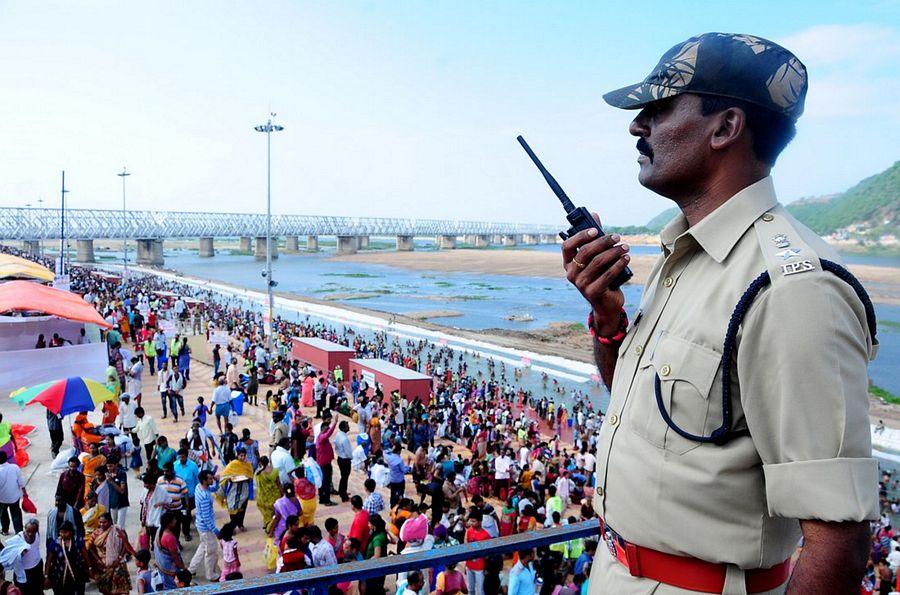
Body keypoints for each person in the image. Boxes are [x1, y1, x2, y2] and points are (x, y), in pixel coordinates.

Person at [574, 33, 877, 593]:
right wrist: (609, 319)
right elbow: (649, 412)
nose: (637, 126)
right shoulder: (684, 257)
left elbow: (838, 537)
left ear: (725, 128)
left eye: (659, 108)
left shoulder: (791, 288)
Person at [85, 512, 135, 595]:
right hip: (103, 565)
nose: (102, 524)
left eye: (104, 522)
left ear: (110, 522)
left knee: (117, 590)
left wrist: (119, 558)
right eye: (100, 522)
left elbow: (125, 545)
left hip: (118, 564)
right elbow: (90, 548)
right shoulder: (96, 534)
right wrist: (98, 560)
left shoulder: (118, 530)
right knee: (105, 589)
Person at [189, 469, 220, 582]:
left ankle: (191, 569)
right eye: (210, 479)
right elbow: (206, 517)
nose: (212, 479)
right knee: (211, 551)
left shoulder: (199, 487)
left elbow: (215, 488)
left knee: (203, 547)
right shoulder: (205, 497)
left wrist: (217, 480)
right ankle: (210, 574)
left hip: (200, 525)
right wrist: (215, 530)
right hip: (206, 528)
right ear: (204, 480)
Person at [43, 521, 88, 595]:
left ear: (70, 532)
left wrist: (89, 568)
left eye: (65, 532)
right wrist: (46, 576)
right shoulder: (55, 544)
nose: (62, 534)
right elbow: (48, 560)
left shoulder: (77, 541)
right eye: (61, 532)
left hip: (76, 575)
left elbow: (85, 555)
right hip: (59, 576)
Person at [219, 446, 254, 530]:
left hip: (244, 490)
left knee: (242, 508)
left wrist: (248, 478)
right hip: (233, 490)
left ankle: (240, 524)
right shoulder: (232, 464)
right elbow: (224, 475)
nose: (242, 457)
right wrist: (231, 478)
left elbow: (250, 476)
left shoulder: (248, 465)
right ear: (237, 455)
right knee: (232, 507)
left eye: (244, 456)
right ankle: (232, 526)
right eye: (240, 456)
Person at [154, 511, 186, 590]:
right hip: (169, 569)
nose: (175, 520)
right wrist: (183, 568)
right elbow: (175, 556)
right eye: (174, 519)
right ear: (169, 523)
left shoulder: (159, 530)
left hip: (162, 566)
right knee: (173, 587)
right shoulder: (169, 538)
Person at [11, 519, 43, 595]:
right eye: (28, 531)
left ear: (37, 531)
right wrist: (20, 554)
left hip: (36, 568)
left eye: (33, 531)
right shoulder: (18, 538)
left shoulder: (37, 535)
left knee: (37, 590)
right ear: (24, 528)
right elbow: (10, 555)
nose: (30, 534)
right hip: (23, 572)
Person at [0, 452, 27, 536]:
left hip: (2, 498)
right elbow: (21, 482)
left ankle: (5, 530)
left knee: (3, 513)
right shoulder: (14, 467)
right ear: (7, 458)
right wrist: (24, 492)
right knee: (16, 514)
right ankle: (19, 533)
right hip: (14, 496)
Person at [464, 509, 490, 595]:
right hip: (469, 565)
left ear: (480, 522)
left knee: (480, 590)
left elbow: (488, 555)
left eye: (473, 521)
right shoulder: (469, 531)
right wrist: (465, 565)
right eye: (470, 521)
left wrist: (486, 569)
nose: (471, 523)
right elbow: (467, 547)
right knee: (470, 589)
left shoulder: (486, 535)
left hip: (480, 567)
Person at [315, 414, 338, 506]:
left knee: (323, 481)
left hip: (323, 462)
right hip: (325, 463)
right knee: (326, 482)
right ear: (323, 429)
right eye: (327, 428)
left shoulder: (321, 437)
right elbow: (329, 433)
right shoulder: (322, 437)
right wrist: (335, 422)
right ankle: (327, 500)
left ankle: (322, 498)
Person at [255, 456, 281, 533]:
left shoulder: (258, 474)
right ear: (268, 461)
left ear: (260, 463)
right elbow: (278, 484)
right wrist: (282, 494)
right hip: (274, 496)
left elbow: (258, 486)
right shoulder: (275, 471)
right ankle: (271, 527)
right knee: (275, 513)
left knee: (267, 514)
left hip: (263, 498)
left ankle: (268, 526)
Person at [105, 457, 129, 528]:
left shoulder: (121, 473)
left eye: (111, 466)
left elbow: (122, 490)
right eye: (107, 466)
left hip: (122, 503)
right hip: (113, 504)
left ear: (116, 464)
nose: (109, 468)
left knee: (120, 527)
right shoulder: (108, 475)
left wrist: (111, 481)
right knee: (114, 526)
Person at [334, 420, 353, 502]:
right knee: (345, 478)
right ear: (343, 428)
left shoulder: (339, 434)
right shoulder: (344, 439)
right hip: (345, 460)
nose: (348, 427)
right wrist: (351, 457)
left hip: (340, 458)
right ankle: (344, 496)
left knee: (343, 477)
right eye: (347, 426)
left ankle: (342, 491)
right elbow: (348, 452)